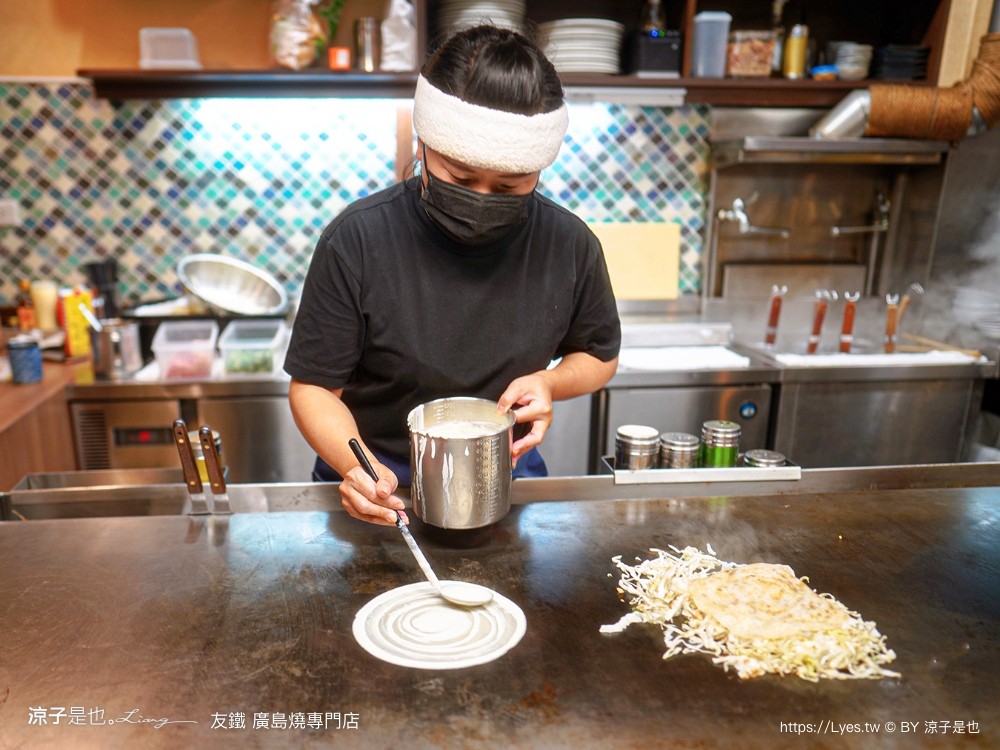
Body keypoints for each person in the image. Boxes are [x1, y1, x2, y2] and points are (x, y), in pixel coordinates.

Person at [284, 24, 621, 527]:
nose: (481, 199)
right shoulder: (357, 240)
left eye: (510, 186)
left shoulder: (568, 245)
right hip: (380, 485)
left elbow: (597, 355)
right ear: (423, 144)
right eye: (460, 178)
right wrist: (359, 470)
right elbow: (313, 388)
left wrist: (551, 382)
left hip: (506, 485)